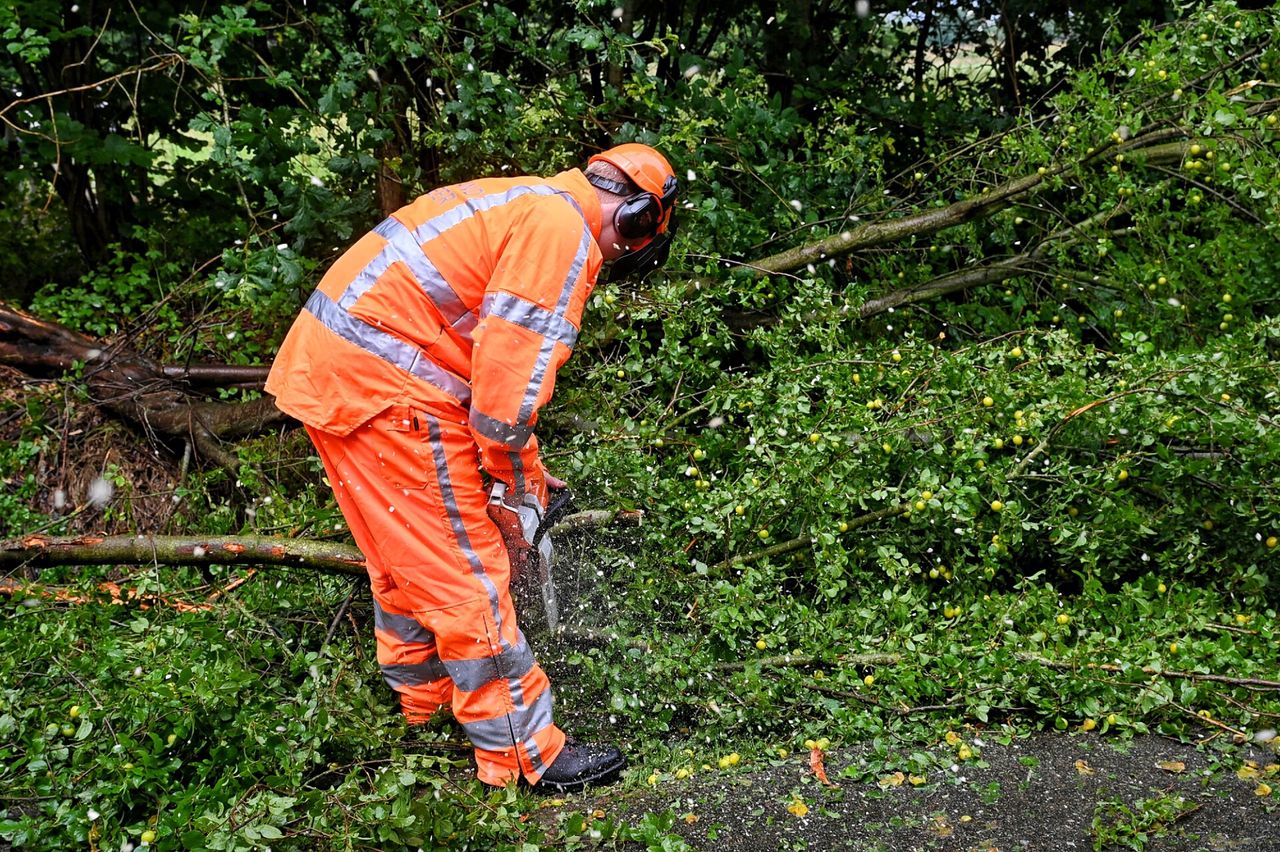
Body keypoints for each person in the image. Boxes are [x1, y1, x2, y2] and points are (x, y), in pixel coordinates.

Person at [264, 143, 678, 793]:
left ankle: (421, 710)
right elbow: (504, 403)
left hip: (338, 380)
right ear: (634, 218)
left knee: (406, 565)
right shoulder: (560, 233)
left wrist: (519, 474)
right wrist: (518, 484)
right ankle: (524, 752)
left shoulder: (522, 199)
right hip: (390, 397)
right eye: (629, 249)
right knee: (470, 578)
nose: (618, 259)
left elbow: (475, 365)